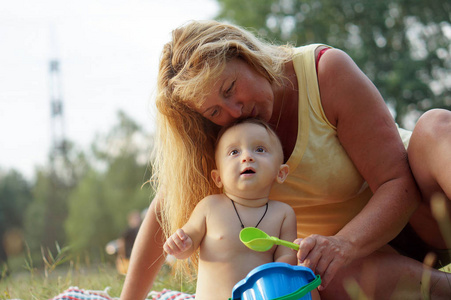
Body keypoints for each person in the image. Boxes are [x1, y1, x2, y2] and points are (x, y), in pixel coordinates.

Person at [120, 20, 451, 299]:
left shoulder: (325, 71)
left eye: (230, 88)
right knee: (316, 275)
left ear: (245, 54)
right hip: (364, 260)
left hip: (425, 206)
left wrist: (344, 244)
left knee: (434, 126)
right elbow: (165, 208)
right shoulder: (227, 137)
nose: (235, 111)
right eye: (214, 110)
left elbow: (399, 184)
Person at [163, 118, 314, 299]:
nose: (247, 157)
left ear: (280, 173)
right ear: (218, 178)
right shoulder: (209, 207)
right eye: (234, 152)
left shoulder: (283, 214)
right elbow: (188, 243)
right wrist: (180, 244)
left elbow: (285, 262)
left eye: (260, 149)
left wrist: (297, 255)